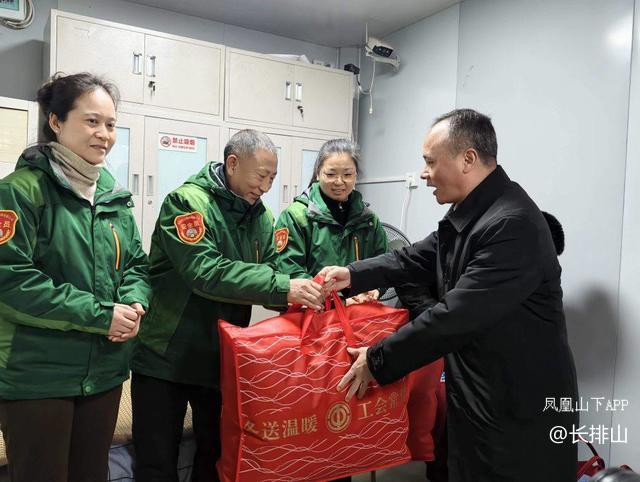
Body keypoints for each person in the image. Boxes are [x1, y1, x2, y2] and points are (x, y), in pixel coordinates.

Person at [320, 109, 578, 482]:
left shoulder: (511, 224)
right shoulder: (472, 214)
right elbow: (412, 258)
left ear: (467, 159)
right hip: (481, 398)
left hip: (518, 410)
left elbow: (455, 317)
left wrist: (377, 359)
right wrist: (351, 275)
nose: (424, 173)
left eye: (430, 162)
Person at [130, 129, 325, 482]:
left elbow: (277, 270)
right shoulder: (187, 203)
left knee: (216, 456)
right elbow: (206, 272)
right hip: (165, 355)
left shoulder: (260, 217)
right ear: (232, 164)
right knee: (156, 462)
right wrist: (284, 287)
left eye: (272, 178)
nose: (265, 187)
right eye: (260, 176)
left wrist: (314, 290)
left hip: (221, 357)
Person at [0, 72, 151, 482]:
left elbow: (136, 264)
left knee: (91, 474)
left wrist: (135, 302)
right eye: (91, 121)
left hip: (104, 371)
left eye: (111, 124)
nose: (104, 134)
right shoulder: (20, 192)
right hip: (38, 375)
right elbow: (11, 282)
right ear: (55, 121)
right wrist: (102, 315)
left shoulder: (113, 197)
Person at [275, 138, 387, 305]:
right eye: (331, 174)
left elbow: (383, 264)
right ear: (318, 173)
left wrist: (374, 288)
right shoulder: (296, 217)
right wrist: (340, 301)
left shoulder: (368, 219)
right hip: (312, 313)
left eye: (347, 174)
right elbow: (290, 273)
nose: (339, 182)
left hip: (359, 313)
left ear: (356, 175)